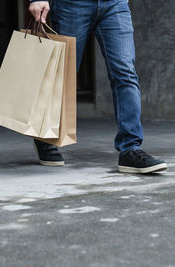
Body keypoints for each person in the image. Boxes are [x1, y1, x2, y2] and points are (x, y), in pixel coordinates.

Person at [29, 0, 167, 174]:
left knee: (126, 72)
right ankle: (45, 137)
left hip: (115, 4)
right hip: (71, 5)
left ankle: (130, 149)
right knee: (63, 74)